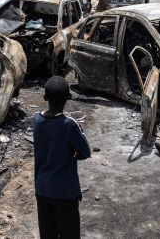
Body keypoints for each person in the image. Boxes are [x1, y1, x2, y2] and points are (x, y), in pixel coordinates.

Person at [33, 76, 91, 239]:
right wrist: (72, 155)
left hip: (42, 188)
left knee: (47, 233)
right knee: (69, 234)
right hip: (65, 191)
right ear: (68, 98)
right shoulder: (69, 124)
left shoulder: (37, 120)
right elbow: (85, 152)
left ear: (45, 97)